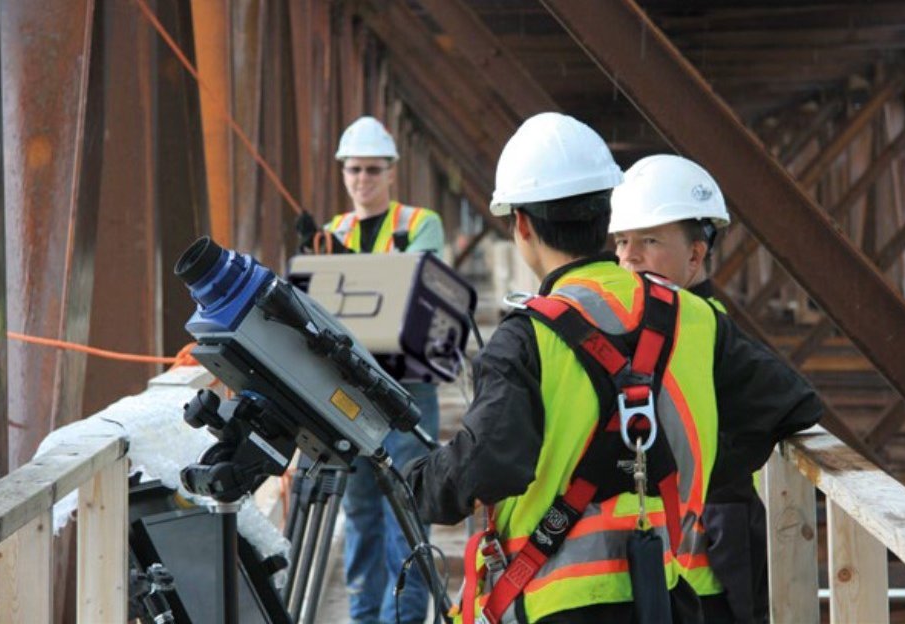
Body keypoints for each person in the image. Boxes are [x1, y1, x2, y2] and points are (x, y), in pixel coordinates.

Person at [404, 113, 822, 624]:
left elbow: (492, 461)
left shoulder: (524, 337)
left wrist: (421, 484)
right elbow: (793, 405)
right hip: (662, 589)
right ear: (607, 218)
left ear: (522, 225)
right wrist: (688, 465)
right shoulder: (693, 317)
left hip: (556, 600)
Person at [610, 154, 768, 623]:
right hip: (675, 565)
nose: (628, 256)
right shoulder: (650, 327)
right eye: (621, 241)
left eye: (649, 240)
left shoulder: (705, 332)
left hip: (708, 570)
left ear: (696, 254)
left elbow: (790, 409)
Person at [320, 116, 445, 624]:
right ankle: (364, 618)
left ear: (392, 173)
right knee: (362, 515)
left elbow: (413, 292)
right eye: (354, 170)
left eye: (373, 170)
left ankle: (405, 619)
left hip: (405, 391)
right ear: (343, 173)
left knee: (407, 516)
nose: (362, 180)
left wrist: (340, 271)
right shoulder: (334, 231)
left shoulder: (420, 224)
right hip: (351, 395)